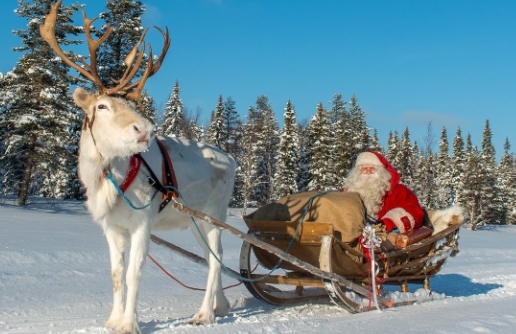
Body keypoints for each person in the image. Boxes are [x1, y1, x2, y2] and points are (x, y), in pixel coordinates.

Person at [342, 151, 424, 234]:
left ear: (381, 172)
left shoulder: (399, 191)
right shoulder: (347, 191)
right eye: (364, 169)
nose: (368, 172)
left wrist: (388, 223)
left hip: (385, 240)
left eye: (372, 169)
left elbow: (415, 212)